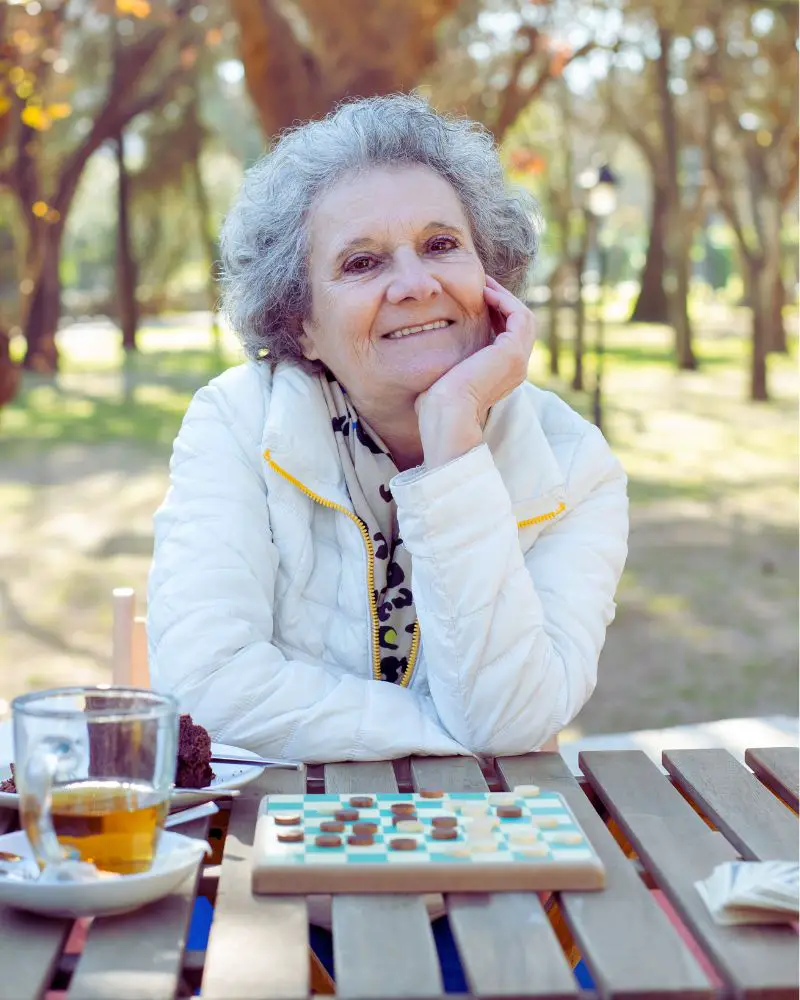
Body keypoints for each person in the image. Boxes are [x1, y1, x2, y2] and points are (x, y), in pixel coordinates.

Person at [147, 93, 629, 765]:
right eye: (362, 262)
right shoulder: (236, 421)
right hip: (277, 840)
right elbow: (207, 684)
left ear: (492, 280)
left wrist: (454, 440)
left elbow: (513, 715)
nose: (414, 283)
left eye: (440, 245)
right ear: (303, 326)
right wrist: (455, 735)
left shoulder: (575, 464)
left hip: (485, 845)